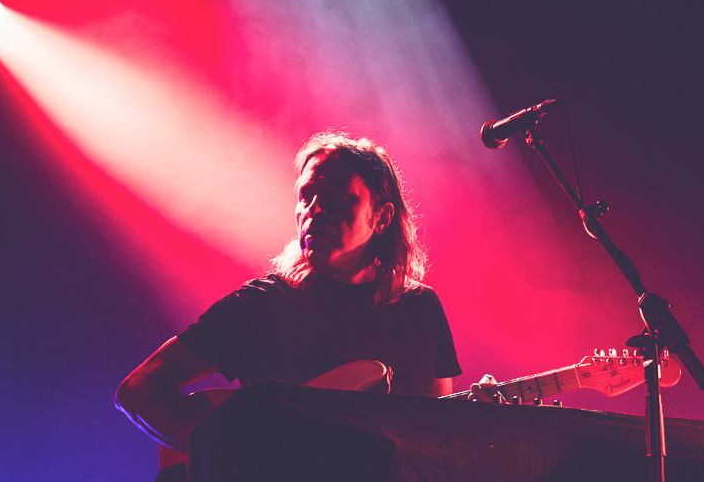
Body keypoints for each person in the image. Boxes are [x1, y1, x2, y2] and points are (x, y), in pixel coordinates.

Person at [117, 132, 462, 449]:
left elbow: (442, 427)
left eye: (339, 198)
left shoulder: (422, 307)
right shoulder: (259, 306)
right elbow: (139, 390)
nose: (315, 210)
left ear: (382, 218)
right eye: (306, 196)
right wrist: (229, 460)